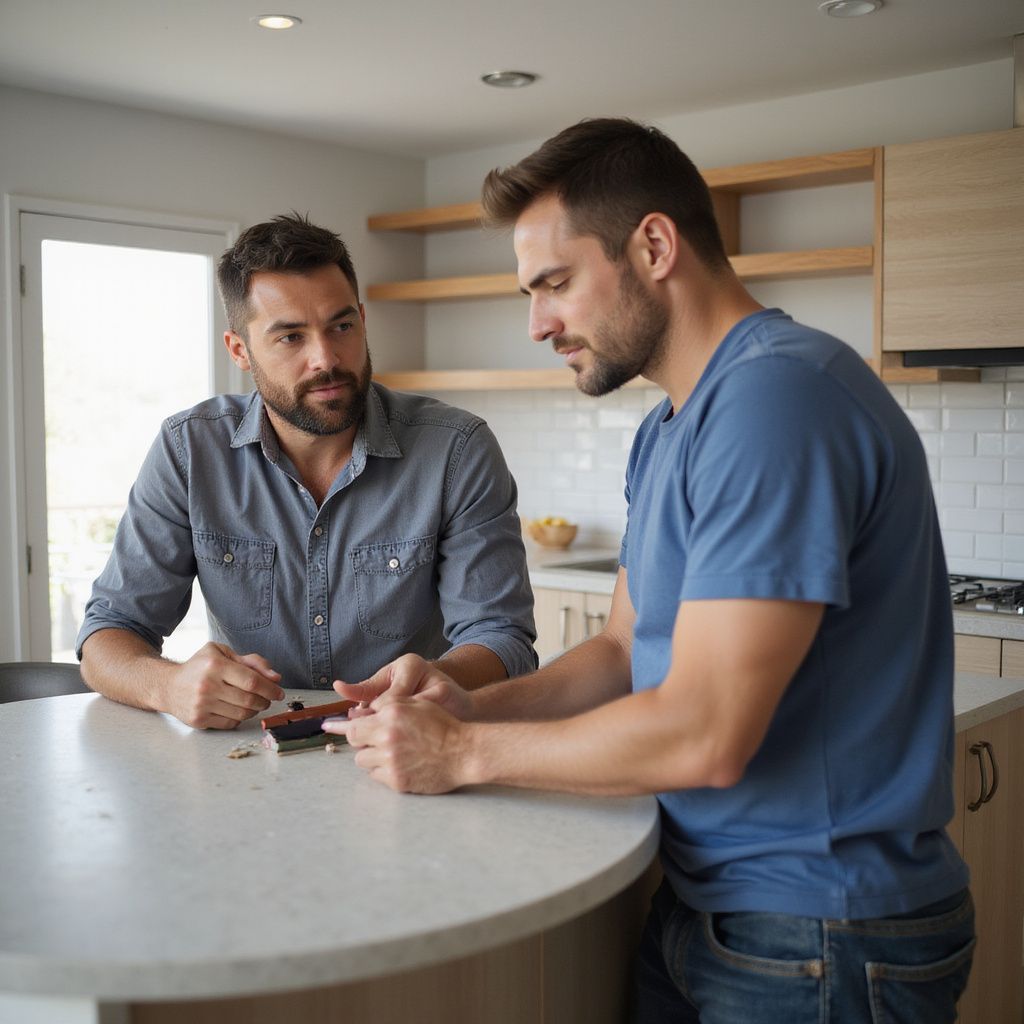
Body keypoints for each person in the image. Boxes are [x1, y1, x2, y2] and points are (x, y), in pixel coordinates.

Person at [323, 119, 975, 1022]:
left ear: (655, 245)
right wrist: (464, 702)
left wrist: (466, 753)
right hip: (706, 905)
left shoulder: (777, 400)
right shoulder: (671, 426)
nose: (538, 323)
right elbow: (626, 650)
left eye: (555, 283)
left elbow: (707, 731)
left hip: (820, 930)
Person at [77, 213, 536, 730]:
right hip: (250, 754)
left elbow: (502, 637)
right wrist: (170, 685)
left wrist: (440, 677)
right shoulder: (188, 450)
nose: (327, 358)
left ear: (362, 319)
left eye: (342, 326)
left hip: (412, 740)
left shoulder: (457, 450)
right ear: (240, 351)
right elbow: (108, 634)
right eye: (291, 337)